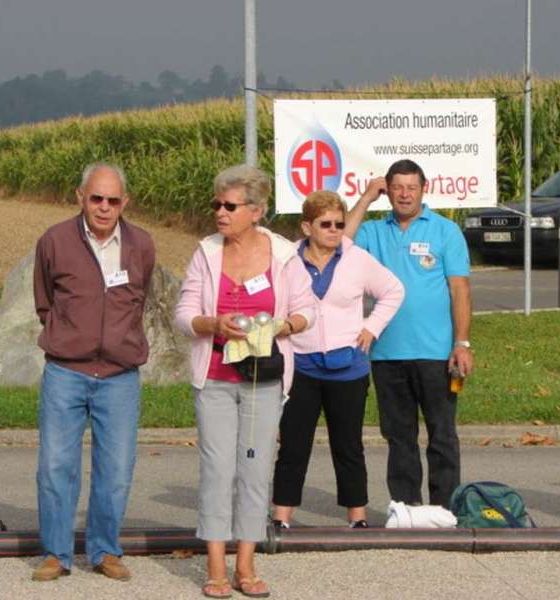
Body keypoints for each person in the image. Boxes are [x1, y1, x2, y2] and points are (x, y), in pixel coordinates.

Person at [175, 164, 316, 598]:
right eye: (216, 204)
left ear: (256, 211)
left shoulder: (284, 254)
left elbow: (309, 310)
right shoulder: (206, 252)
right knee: (218, 470)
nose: (220, 212)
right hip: (215, 379)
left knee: (254, 469)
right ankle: (215, 565)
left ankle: (247, 564)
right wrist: (212, 323)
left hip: (263, 380)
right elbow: (182, 315)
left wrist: (279, 327)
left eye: (230, 206)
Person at [31, 162, 155, 581]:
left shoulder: (141, 245)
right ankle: (56, 553)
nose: (104, 207)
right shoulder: (54, 241)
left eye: (113, 200)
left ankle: (105, 550)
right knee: (55, 465)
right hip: (66, 372)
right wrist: (70, 336)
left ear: (126, 202)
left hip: (120, 375)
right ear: (80, 197)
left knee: (117, 467)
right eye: (96, 198)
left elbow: (141, 297)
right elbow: (45, 301)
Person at [344, 158, 474, 510]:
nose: (404, 195)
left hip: (436, 354)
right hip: (387, 354)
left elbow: (459, 290)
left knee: (442, 436)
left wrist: (461, 343)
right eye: (396, 187)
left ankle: (445, 510)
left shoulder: (445, 231)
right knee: (399, 438)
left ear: (423, 189)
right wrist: (367, 197)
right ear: (388, 190)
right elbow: (340, 240)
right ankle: (407, 511)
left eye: (411, 188)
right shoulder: (373, 231)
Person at [271, 191, 404, 529]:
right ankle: (281, 516)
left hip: (348, 367)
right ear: (306, 227)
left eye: (339, 224)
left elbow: (393, 290)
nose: (333, 230)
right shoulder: (287, 262)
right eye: (325, 224)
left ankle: (357, 517)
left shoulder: (356, 258)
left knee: (348, 446)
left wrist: (371, 328)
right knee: (293, 445)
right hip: (300, 363)